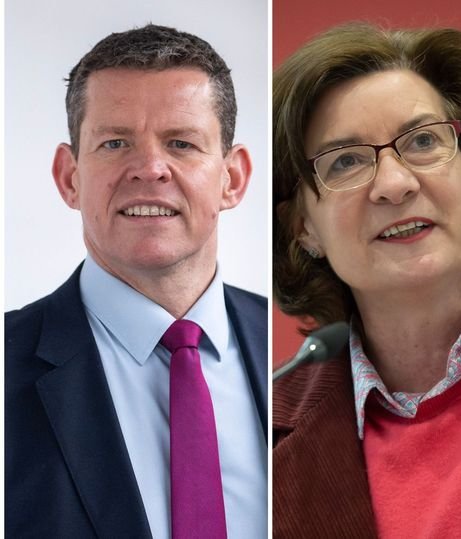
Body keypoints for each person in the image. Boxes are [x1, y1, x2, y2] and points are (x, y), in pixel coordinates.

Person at [273, 23, 461, 537]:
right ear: (304, 229)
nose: (394, 184)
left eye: (422, 141)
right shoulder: (262, 430)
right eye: (346, 161)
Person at [6, 25, 267, 538]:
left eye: (182, 143)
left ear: (232, 180)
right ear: (69, 177)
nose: (150, 168)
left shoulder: (302, 353)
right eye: (115, 142)